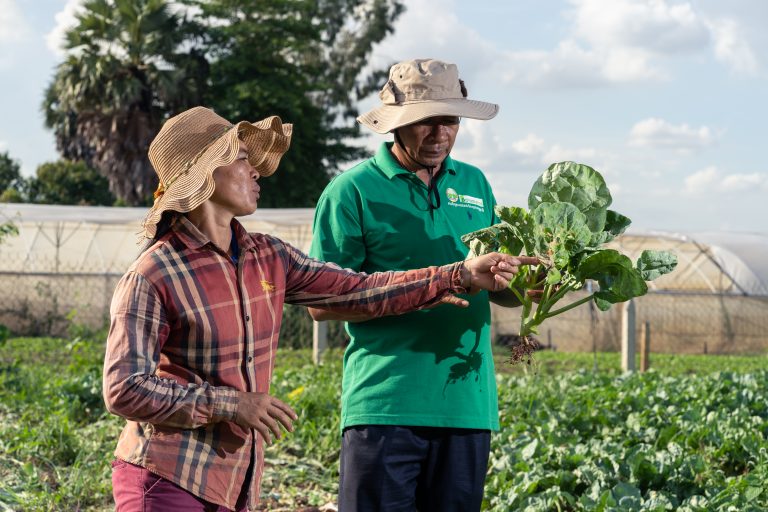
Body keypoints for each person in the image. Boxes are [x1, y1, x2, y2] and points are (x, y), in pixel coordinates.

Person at [102, 106, 536, 512]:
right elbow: (124, 388)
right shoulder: (154, 273)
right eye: (240, 158)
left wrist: (456, 275)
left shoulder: (266, 256)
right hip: (166, 476)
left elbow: (358, 290)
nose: (256, 169)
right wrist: (231, 404)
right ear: (202, 177)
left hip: (234, 477)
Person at [308, 58, 529, 511]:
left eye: (449, 120)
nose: (439, 133)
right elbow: (321, 301)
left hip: (466, 404)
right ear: (397, 124)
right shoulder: (352, 191)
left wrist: (522, 280)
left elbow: (501, 287)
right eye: (424, 122)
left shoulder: (475, 183)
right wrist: (447, 279)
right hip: (385, 402)